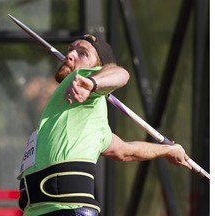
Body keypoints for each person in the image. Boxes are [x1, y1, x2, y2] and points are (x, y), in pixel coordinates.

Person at [17, 34, 192, 216]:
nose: (70, 55)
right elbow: (125, 150)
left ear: (98, 68)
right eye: (71, 49)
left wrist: (91, 82)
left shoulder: (80, 78)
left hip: (68, 211)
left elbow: (121, 74)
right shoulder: (90, 123)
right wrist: (168, 150)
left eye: (82, 53)